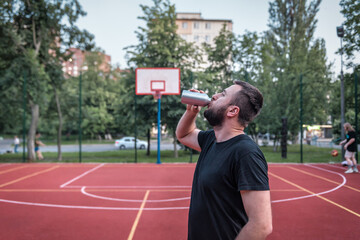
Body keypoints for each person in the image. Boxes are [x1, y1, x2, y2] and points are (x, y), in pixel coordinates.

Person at [176, 80, 272, 240]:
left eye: (223, 94)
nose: (214, 96)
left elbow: (262, 225)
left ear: (232, 111)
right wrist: (191, 112)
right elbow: (184, 134)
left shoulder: (246, 153)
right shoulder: (211, 140)